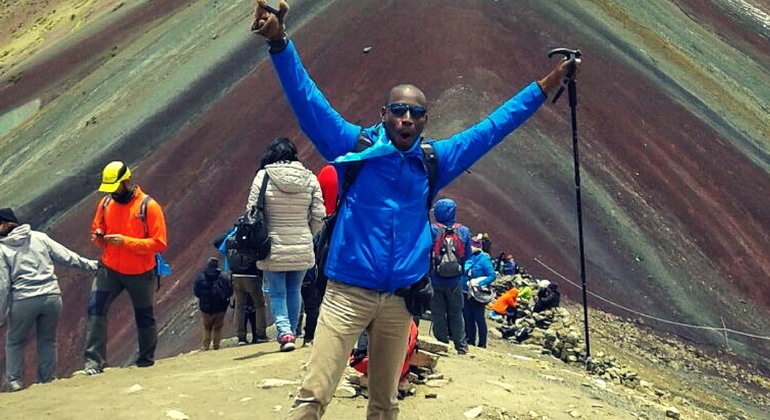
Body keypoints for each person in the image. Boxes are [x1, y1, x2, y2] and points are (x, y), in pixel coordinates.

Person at [251, 1, 578, 416]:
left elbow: (493, 127)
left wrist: (548, 83)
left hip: (399, 304)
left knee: (385, 405)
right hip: (346, 293)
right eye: (400, 110)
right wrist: (279, 42)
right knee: (314, 395)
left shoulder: (432, 162)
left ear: (425, 121)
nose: (407, 118)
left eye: (417, 113)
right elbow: (307, 99)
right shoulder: (354, 148)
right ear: (383, 114)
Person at [83, 161, 168, 375]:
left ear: (126, 181)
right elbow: (96, 229)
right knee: (95, 309)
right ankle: (94, 362)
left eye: (115, 187)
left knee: (144, 315)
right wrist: (99, 237)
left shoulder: (148, 206)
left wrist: (126, 242)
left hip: (140, 272)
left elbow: (159, 243)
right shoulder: (105, 203)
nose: (112, 192)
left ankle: (145, 360)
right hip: (109, 268)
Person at [0, 208, 98, 392]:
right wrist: (93, 265)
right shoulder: (39, 237)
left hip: (23, 300)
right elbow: (67, 257)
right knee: (47, 341)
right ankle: (47, 381)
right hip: (51, 297)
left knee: (14, 341)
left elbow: (3, 285)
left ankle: (14, 383)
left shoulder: (2, 248)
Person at [247, 137, 325, 352]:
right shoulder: (310, 178)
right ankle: (292, 332)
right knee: (294, 290)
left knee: (277, 292)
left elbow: (252, 211)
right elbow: (319, 214)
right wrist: (307, 234)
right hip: (302, 244)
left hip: (272, 245)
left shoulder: (263, 177)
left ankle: (285, 333)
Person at [300, 164, 338, 347]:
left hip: (323, 227)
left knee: (315, 286)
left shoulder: (326, 172)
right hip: (343, 228)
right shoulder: (352, 169)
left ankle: (311, 331)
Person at [214, 228, 270, 346]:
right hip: (252, 276)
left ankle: (241, 337)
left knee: (239, 307)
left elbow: (217, 243)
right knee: (259, 305)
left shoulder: (230, 241)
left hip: (236, 276)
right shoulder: (253, 240)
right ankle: (261, 334)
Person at [429, 198, 471, 355]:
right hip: (455, 281)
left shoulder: (432, 229)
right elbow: (466, 255)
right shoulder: (463, 231)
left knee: (438, 312)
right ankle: (461, 346)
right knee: (456, 312)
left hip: (434, 279)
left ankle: (441, 344)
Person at [462, 239, 496, 348]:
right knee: (468, 316)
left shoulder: (484, 260)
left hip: (477, 293)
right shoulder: (467, 257)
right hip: (465, 290)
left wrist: (480, 283)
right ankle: (470, 339)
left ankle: (482, 343)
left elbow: (492, 275)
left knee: (479, 317)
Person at [193, 257, 232, 350]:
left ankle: (205, 346)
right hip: (220, 308)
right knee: (217, 327)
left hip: (206, 309)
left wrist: (203, 300)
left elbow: (196, 292)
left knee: (207, 327)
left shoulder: (200, 277)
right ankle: (216, 345)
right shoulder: (223, 277)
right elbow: (229, 291)